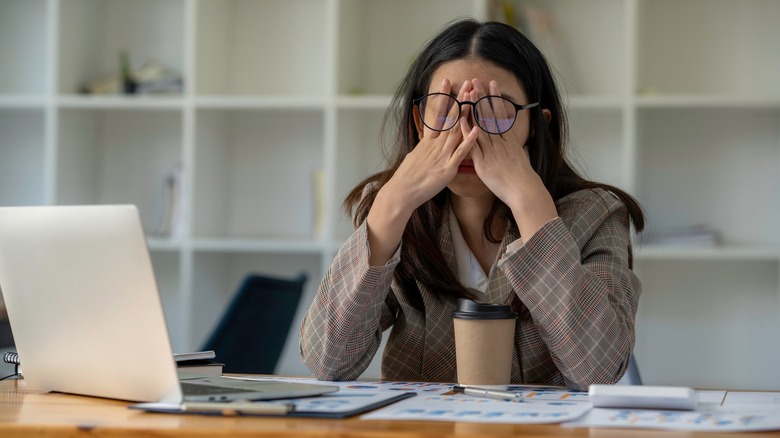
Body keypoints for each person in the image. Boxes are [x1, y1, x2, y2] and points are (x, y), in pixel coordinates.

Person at [299, 18, 644, 390]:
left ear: (537, 125)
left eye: (495, 110)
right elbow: (327, 362)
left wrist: (532, 206)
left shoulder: (596, 213)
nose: (468, 133)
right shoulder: (394, 211)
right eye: (445, 109)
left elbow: (599, 371)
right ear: (419, 122)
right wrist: (392, 204)